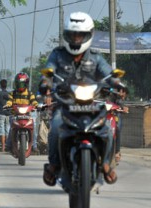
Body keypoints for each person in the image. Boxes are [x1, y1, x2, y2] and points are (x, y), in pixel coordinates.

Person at [41, 11, 123, 186]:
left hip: (90, 105)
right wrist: (46, 83)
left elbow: (109, 73)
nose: (76, 38)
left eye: (80, 35)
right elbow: (48, 71)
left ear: (89, 35)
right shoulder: (57, 54)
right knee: (55, 126)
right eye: (73, 34)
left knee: (107, 128)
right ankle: (54, 165)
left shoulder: (95, 56)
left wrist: (118, 84)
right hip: (64, 104)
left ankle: (107, 164)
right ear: (67, 35)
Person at [4, 72, 38, 152]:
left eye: (22, 84)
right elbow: (9, 101)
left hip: (27, 115)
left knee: (34, 127)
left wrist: (36, 105)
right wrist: (8, 105)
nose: (20, 86)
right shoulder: (13, 93)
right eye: (19, 84)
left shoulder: (30, 94)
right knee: (11, 128)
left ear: (26, 83)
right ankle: (8, 145)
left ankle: (34, 145)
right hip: (15, 114)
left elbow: (33, 101)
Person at [0, 79, 11, 152]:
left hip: (1, 113)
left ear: (0, 85)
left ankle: (3, 147)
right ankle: (7, 146)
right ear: (6, 85)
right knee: (7, 129)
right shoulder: (9, 94)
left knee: (1, 129)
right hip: (8, 113)